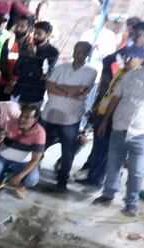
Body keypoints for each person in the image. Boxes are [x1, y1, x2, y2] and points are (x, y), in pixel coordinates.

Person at [76, 46, 144, 191]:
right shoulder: (121, 72)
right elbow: (109, 93)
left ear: (140, 60)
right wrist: (98, 108)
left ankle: (97, 181)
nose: (127, 60)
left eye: (131, 58)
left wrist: (107, 117)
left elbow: (119, 100)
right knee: (98, 149)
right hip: (103, 112)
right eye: (126, 57)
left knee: (105, 153)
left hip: (114, 117)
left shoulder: (135, 79)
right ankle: (93, 178)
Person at [92, 47, 144, 216]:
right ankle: (107, 195)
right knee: (113, 164)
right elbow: (115, 98)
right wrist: (105, 121)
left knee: (137, 171)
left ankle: (131, 202)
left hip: (143, 132)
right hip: (119, 127)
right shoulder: (130, 75)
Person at [40, 41, 97, 193]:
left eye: (82, 52)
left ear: (88, 54)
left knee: (67, 151)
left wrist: (59, 88)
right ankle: (30, 172)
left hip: (70, 118)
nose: (77, 54)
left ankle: (62, 181)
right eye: (76, 50)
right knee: (39, 146)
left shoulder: (91, 72)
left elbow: (79, 91)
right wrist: (68, 92)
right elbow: (48, 86)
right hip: (49, 114)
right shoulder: (61, 67)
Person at [0, 104, 46, 197]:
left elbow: (36, 159)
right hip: (3, 158)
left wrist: (19, 177)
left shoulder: (40, 133)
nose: (21, 119)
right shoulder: (9, 123)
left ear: (34, 120)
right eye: (21, 115)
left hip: (23, 162)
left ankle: (20, 184)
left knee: (31, 180)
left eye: (27, 117)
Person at [97, 21, 144, 103]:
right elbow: (107, 60)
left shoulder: (143, 54)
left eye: (138, 35)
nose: (134, 38)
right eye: (134, 35)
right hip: (116, 89)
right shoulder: (129, 50)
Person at [11, 21, 59, 105]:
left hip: (35, 96)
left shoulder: (53, 52)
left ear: (48, 35)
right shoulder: (25, 47)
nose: (35, 36)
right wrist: (32, 68)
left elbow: (43, 75)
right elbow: (16, 71)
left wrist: (32, 57)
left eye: (39, 34)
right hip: (18, 92)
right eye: (34, 33)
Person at [0, 14, 32, 101]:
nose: (18, 28)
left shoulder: (32, 45)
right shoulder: (9, 41)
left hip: (21, 86)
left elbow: (30, 67)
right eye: (17, 25)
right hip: (5, 83)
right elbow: (2, 63)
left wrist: (16, 82)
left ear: (29, 28)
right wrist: (10, 81)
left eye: (22, 26)